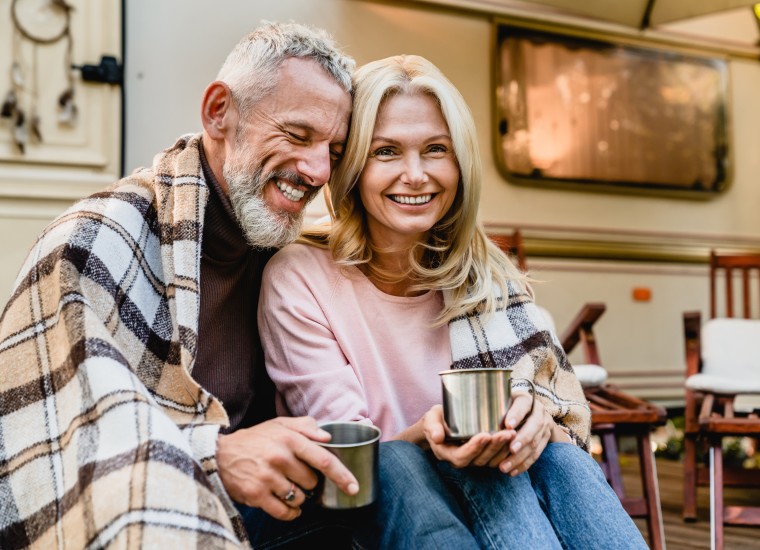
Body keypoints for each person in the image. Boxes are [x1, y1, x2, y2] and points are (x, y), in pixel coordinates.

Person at [258, 54, 650, 549]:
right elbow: (349, 460)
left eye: (435, 149)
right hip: (375, 511)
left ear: (460, 163)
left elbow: (563, 411)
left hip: (497, 493)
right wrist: (433, 434)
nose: (416, 174)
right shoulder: (300, 276)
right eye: (386, 152)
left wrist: (534, 423)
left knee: (558, 456)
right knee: (478, 465)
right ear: (352, 165)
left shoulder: (485, 275)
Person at [0, 21, 363, 549]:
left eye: (334, 149)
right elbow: (51, 447)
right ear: (219, 111)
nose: (317, 170)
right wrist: (217, 452)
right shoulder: (93, 241)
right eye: (297, 134)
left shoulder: (287, 258)